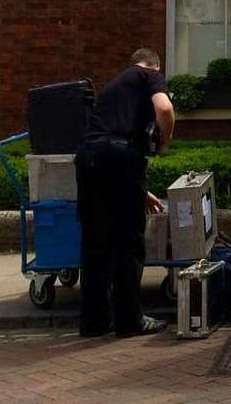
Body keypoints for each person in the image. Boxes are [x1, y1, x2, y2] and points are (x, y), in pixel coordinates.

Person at [76, 48, 175, 338]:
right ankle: (129, 321)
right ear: (155, 65)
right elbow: (165, 109)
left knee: (95, 243)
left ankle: (94, 323)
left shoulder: (113, 86)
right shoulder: (150, 74)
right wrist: (164, 142)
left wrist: (141, 192)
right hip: (121, 158)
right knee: (128, 243)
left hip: (88, 157)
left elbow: (108, 143)